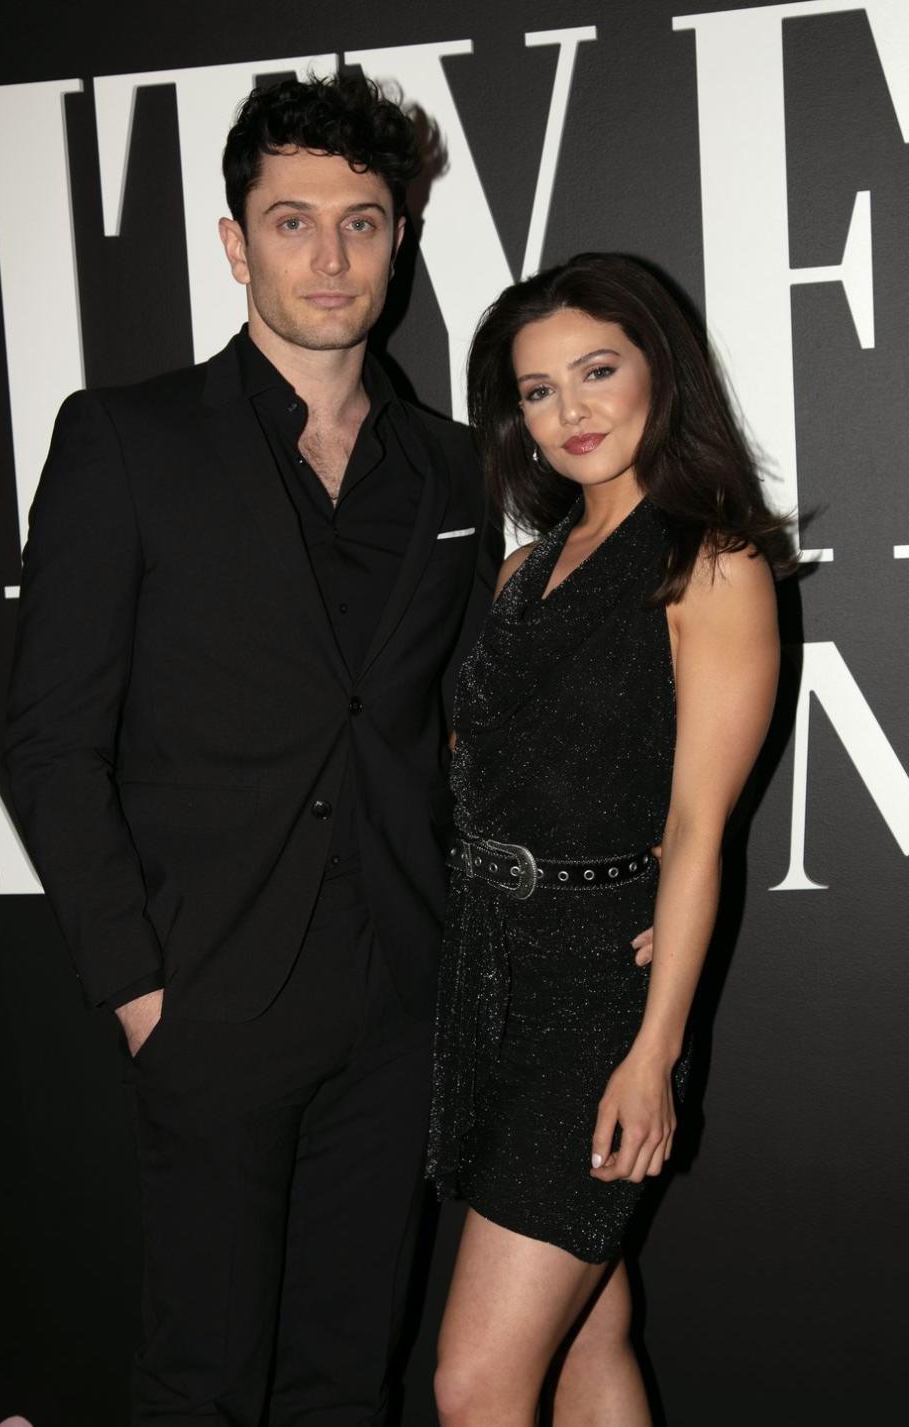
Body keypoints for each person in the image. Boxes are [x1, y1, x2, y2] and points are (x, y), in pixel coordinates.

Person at [3, 73, 502, 1427]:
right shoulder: (125, 439)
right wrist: (139, 985)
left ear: (402, 238)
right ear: (235, 243)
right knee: (202, 1376)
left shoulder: (458, 471)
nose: (329, 257)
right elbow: (51, 737)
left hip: (399, 992)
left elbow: (458, 724)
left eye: (363, 221)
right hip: (210, 992)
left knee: (346, 1374)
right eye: (292, 221)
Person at [428, 253, 787, 1426]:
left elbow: (696, 829)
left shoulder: (710, 559)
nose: (570, 412)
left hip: (598, 1004)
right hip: (487, 975)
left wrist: (654, 1053)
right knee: (588, 1338)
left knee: (476, 1382)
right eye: (537, 390)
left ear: (659, 372)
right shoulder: (528, 569)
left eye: (595, 371)